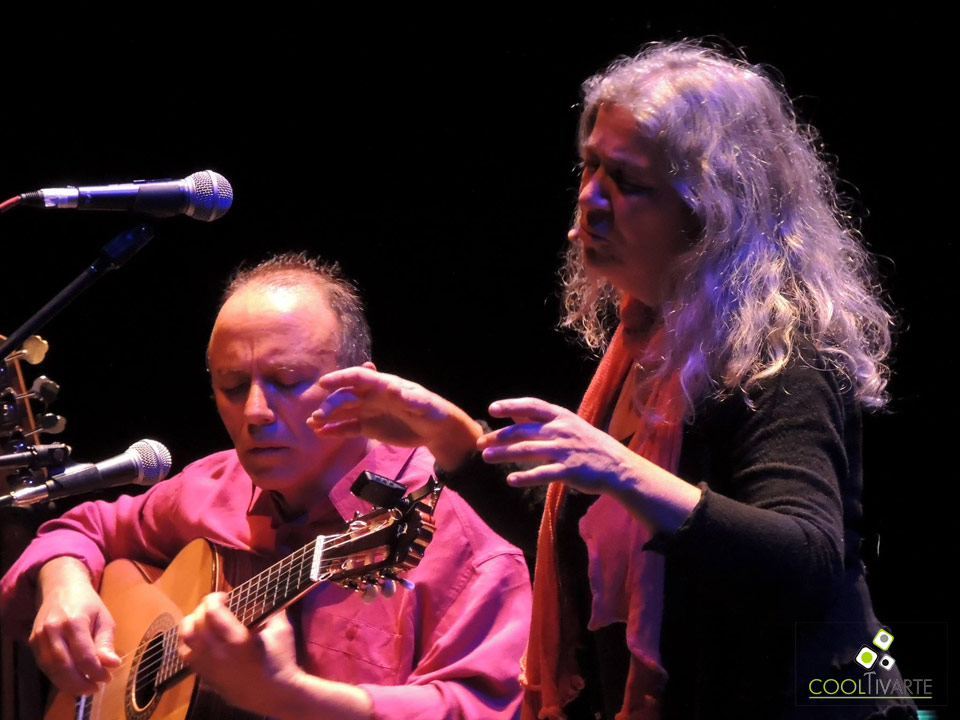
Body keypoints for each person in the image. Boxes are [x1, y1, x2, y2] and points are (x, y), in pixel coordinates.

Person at [308, 43, 917, 719]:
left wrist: (622, 470)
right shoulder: (645, 345)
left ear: (710, 212)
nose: (590, 200)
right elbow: (588, 540)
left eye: (629, 183)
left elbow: (805, 564)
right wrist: (453, 440)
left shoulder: (782, 353)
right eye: (591, 165)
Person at [0, 253, 532, 720]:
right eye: (232, 387)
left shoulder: (457, 539)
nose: (255, 413)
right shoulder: (212, 485)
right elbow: (82, 527)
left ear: (362, 387)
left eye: (286, 381)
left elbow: (482, 707)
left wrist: (294, 699)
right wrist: (63, 582)